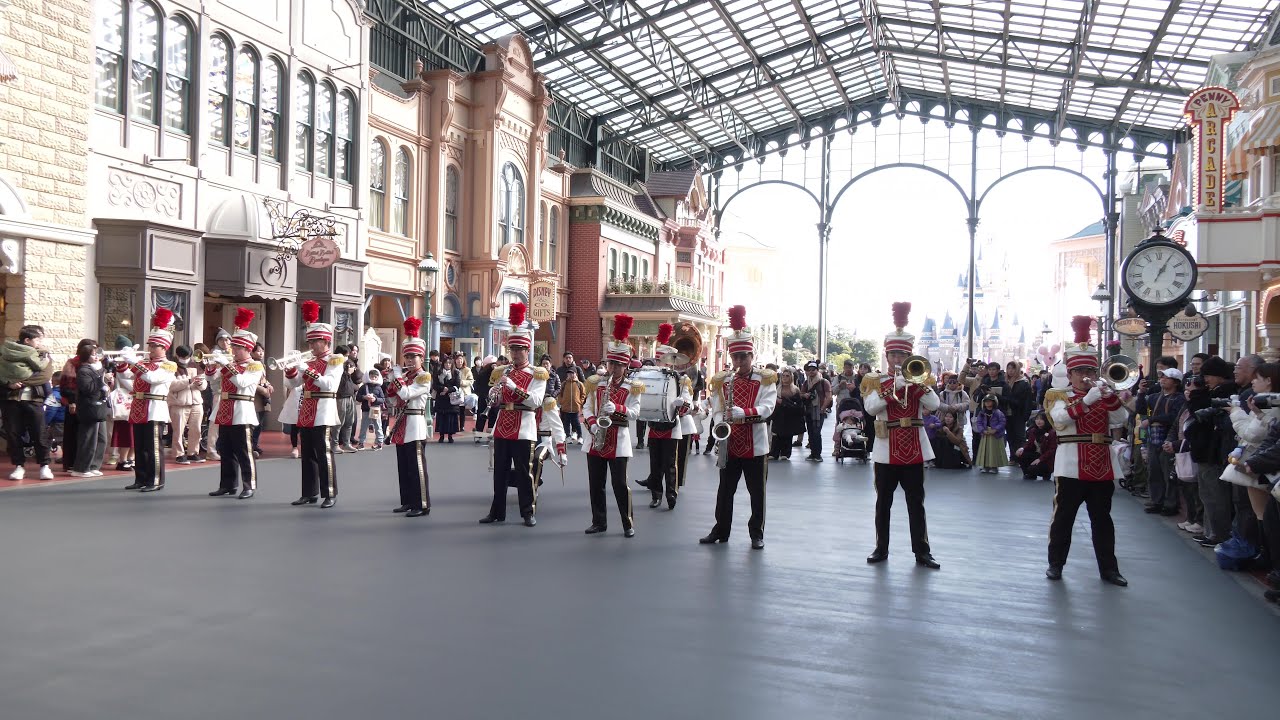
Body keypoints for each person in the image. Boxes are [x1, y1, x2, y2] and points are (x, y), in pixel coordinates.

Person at [1044, 316, 1130, 586]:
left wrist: (1110, 398)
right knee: (1064, 519)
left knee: (1103, 521)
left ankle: (1109, 569)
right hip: (1071, 466)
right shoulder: (1059, 397)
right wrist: (1086, 402)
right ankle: (1056, 564)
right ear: (1069, 375)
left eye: (1090, 372)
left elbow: (1120, 421)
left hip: (1102, 465)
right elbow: (1059, 421)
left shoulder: (1104, 396)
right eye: (1080, 372)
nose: (1086, 377)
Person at [862, 303, 941, 569]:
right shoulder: (876, 381)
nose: (897, 359)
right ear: (886, 355)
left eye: (901, 355)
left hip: (915, 449)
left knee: (916, 503)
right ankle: (880, 548)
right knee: (883, 503)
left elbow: (935, 406)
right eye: (893, 354)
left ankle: (922, 551)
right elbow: (871, 408)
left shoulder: (921, 379)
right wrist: (890, 390)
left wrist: (916, 386)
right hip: (886, 449)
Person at [700, 305, 776, 550]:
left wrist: (746, 413)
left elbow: (768, 407)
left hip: (755, 445)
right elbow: (717, 407)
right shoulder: (724, 381)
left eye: (744, 357)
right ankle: (720, 530)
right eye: (736, 357)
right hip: (730, 443)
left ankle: (756, 534)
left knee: (757, 494)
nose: (740, 361)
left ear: (752, 357)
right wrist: (722, 419)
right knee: (725, 492)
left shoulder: (764, 379)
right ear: (731, 358)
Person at [480, 303, 547, 527]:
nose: (516, 354)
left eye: (520, 350)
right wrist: (494, 394)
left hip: (524, 426)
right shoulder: (502, 371)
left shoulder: (537, 373)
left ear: (527, 350)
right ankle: (496, 511)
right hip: (502, 423)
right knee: (499, 472)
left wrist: (514, 387)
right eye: (513, 350)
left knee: (523, 472)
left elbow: (536, 401)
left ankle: (528, 512)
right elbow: (497, 399)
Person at [581, 314, 641, 536]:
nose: (613, 368)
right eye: (610, 363)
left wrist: (617, 409)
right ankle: (599, 521)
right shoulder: (596, 384)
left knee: (619, 484)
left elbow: (635, 412)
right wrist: (593, 424)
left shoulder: (632, 387)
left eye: (617, 364)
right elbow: (586, 408)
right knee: (595, 484)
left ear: (625, 365)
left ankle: (628, 523)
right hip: (596, 436)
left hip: (619, 438)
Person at [285, 300, 345, 508]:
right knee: (307, 453)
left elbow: (329, 383)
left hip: (324, 410)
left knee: (324, 453)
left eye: (314, 342)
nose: (310, 346)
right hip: (307, 408)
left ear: (325, 341)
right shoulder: (310, 361)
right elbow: (294, 384)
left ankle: (330, 493)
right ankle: (309, 493)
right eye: (310, 343)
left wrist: (307, 369)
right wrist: (291, 371)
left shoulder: (335, 360)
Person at [113, 310, 177, 492]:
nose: (150, 348)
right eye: (150, 344)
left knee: (153, 448)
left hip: (155, 408)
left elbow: (152, 378)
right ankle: (140, 478)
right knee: (140, 446)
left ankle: (156, 480)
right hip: (139, 406)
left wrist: (134, 361)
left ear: (164, 347)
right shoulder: (145, 363)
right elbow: (126, 375)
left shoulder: (169, 365)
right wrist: (123, 362)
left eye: (154, 345)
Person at [206, 308, 264, 499]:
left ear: (247, 349)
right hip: (224, 409)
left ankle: (249, 485)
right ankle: (228, 484)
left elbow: (242, 382)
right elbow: (213, 380)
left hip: (242, 410)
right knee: (226, 449)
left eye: (237, 348)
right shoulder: (231, 364)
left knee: (244, 451)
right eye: (234, 347)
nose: (233, 350)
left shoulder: (255, 365)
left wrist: (226, 365)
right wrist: (210, 367)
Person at [636, 323, 692, 511]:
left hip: (672, 427)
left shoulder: (682, 379)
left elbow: (688, 402)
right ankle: (656, 495)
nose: (661, 361)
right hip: (654, 425)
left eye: (664, 359)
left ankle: (671, 494)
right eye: (660, 358)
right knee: (655, 464)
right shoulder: (651, 376)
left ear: (670, 360)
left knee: (670, 465)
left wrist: (680, 402)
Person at [386, 318, 434, 517]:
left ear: (421, 358)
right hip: (402, 423)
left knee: (416, 467)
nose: (409, 360)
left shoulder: (424, 377)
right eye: (407, 356)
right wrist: (392, 381)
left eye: (414, 356)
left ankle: (422, 504)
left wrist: (396, 378)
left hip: (414, 424)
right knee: (403, 466)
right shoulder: (406, 377)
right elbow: (395, 400)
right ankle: (407, 501)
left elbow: (406, 395)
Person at [1, 325, 55, 480]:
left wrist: (18, 381)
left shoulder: (43, 355)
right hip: (11, 399)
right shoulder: (6, 354)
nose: (40, 341)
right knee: (13, 434)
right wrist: (8, 384)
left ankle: (44, 465)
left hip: (34, 399)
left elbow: (44, 376)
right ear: (27, 340)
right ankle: (18, 465)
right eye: (38, 338)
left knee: (39, 433)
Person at [1138, 368, 1185, 515]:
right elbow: (1141, 409)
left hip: (1169, 437)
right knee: (1154, 470)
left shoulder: (1179, 398)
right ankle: (1156, 500)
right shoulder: (1154, 396)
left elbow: (1173, 417)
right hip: (1154, 437)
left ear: (1176, 382)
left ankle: (1170, 503)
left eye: (1166, 377)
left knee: (1168, 472)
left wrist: (1152, 419)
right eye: (1161, 377)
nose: (1162, 379)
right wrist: (1140, 392)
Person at [70, 343, 109, 478]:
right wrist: (101, 378)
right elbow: (88, 389)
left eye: (97, 353)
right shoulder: (83, 370)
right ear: (86, 356)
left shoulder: (99, 369)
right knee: (88, 438)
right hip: (89, 407)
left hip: (99, 406)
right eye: (93, 354)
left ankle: (94, 465)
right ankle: (81, 468)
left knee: (101, 438)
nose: (97, 357)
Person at [167, 345, 205, 464]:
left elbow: (204, 387)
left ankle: (193, 452)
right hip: (179, 403)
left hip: (196, 402)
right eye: (183, 357)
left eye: (188, 356)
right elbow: (172, 386)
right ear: (177, 356)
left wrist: (200, 383)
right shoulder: (171, 367)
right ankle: (179, 454)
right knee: (178, 431)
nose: (186, 359)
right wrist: (189, 381)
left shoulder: (196, 366)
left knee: (196, 429)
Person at [769, 368, 805, 459]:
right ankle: (774, 453)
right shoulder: (777, 388)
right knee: (776, 434)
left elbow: (798, 405)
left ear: (791, 378)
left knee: (788, 435)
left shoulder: (795, 390)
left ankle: (785, 453)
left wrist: (784, 402)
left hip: (790, 415)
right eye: (783, 376)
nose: (785, 378)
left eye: (787, 376)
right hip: (778, 415)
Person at [800, 361, 832, 462]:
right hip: (809, 410)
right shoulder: (806, 382)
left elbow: (829, 396)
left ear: (817, 370)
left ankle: (818, 454)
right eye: (809, 370)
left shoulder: (824, 382)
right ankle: (813, 453)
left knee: (817, 432)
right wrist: (805, 395)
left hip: (819, 411)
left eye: (813, 370)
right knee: (810, 432)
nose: (811, 372)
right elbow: (801, 393)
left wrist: (823, 408)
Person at [1004, 361, 1034, 460]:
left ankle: (1021, 457)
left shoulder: (1023, 383)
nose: (1010, 371)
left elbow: (1026, 401)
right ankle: (1013, 456)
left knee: (1020, 436)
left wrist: (1026, 415)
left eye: (1013, 368)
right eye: (1008, 368)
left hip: (1019, 414)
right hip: (1007, 413)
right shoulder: (1005, 382)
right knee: (1010, 436)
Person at [973, 395, 1008, 474]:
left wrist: (996, 429)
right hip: (985, 434)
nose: (987, 403)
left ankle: (994, 466)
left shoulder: (998, 413)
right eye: (986, 401)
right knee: (985, 450)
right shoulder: (982, 413)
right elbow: (979, 422)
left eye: (989, 401)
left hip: (995, 434)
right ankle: (985, 466)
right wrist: (982, 430)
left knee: (994, 450)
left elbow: (1002, 422)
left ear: (994, 402)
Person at [1016, 411, 1056, 480]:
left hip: (1046, 459)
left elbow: (1052, 450)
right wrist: (1022, 448)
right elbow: (1029, 444)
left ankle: (1046, 473)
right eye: (1037, 419)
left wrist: (1040, 459)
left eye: (1041, 419)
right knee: (1020, 455)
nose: (1038, 421)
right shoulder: (1033, 430)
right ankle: (1029, 474)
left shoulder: (1052, 432)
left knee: (1033, 468)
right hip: (1036, 454)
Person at [432, 353, 462, 442]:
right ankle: (441, 435)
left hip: (451, 399)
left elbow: (457, 385)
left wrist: (448, 390)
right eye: (446, 363)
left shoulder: (456, 373)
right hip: (441, 398)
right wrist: (442, 389)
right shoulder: (439, 373)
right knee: (441, 417)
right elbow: (435, 385)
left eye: (449, 363)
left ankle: (450, 436)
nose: (447, 365)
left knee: (450, 417)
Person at [356, 368, 387, 449]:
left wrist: (375, 399)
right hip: (366, 409)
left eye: (375, 377)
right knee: (364, 426)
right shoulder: (363, 387)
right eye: (372, 376)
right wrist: (364, 397)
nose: (373, 378)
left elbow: (383, 399)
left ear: (378, 378)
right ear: (368, 376)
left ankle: (379, 442)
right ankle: (361, 442)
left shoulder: (379, 388)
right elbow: (358, 397)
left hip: (375, 409)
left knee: (377, 425)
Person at [251, 343, 272, 456]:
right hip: (255, 396)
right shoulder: (251, 364)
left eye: (262, 351)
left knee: (260, 423)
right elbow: (252, 382)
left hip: (263, 397)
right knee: (255, 423)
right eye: (258, 351)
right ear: (252, 352)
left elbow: (263, 379)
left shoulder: (262, 364)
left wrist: (269, 385)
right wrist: (263, 389)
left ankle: (255, 444)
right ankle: (251, 444)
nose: (261, 353)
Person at [558, 365, 586, 445]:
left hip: (575, 407)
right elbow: (560, 394)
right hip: (565, 407)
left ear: (575, 374)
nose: (570, 375)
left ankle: (580, 437)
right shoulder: (564, 384)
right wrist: (561, 401)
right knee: (566, 423)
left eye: (572, 373)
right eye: (569, 374)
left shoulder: (579, 384)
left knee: (576, 423)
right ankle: (568, 436)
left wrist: (580, 402)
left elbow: (583, 394)